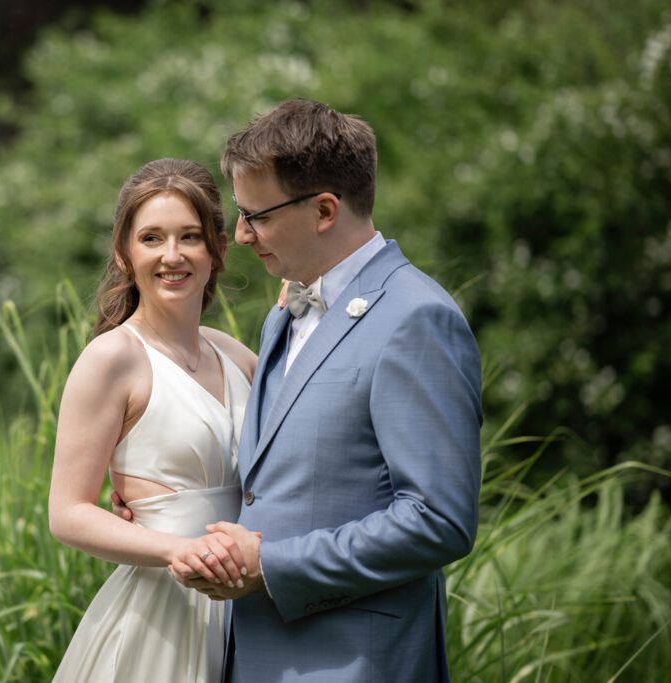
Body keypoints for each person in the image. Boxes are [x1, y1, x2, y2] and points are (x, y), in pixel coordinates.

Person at [169, 99, 483, 682]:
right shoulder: (283, 315)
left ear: (324, 210)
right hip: (254, 655)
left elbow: (439, 519)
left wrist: (270, 565)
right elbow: (283, 477)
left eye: (255, 215)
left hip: (353, 661)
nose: (239, 236)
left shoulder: (416, 319)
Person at [49, 158, 258, 682]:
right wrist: (179, 549)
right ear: (124, 253)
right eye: (151, 238)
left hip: (250, 613)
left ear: (218, 251)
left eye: (190, 236)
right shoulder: (112, 359)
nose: (172, 255)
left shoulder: (239, 358)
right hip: (163, 615)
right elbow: (68, 513)